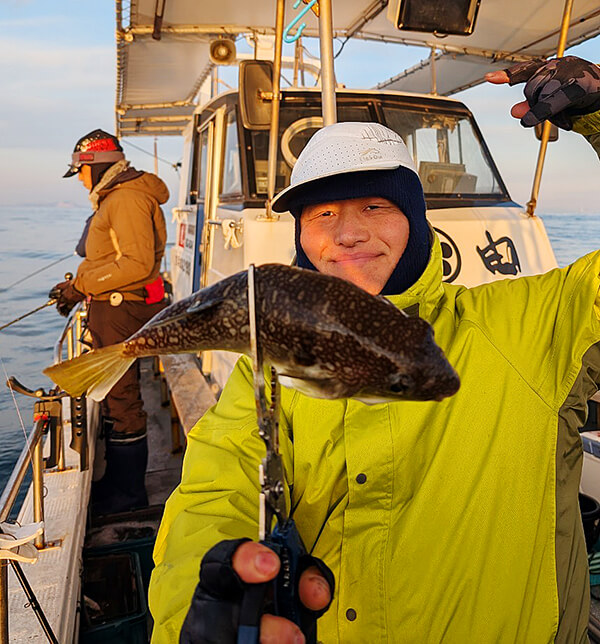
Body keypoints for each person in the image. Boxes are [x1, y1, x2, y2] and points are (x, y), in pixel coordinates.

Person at [149, 56, 600, 643]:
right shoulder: (269, 369)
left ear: (415, 217)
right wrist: (198, 602)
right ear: (301, 237)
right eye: (323, 213)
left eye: (374, 206)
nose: (347, 233)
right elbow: (214, 493)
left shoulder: (535, 328)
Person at [51, 129, 169, 515]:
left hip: (121, 310)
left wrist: (81, 284)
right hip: (113, 307)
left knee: (121, 398)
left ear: (95, 166)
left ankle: (128, 496)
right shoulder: (117, 197)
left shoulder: (127, 198)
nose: (80, 180)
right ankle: (119, 485)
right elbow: (112, 257)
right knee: (116, 396)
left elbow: (136, 264)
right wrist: (75, 287)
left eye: (81, 172)